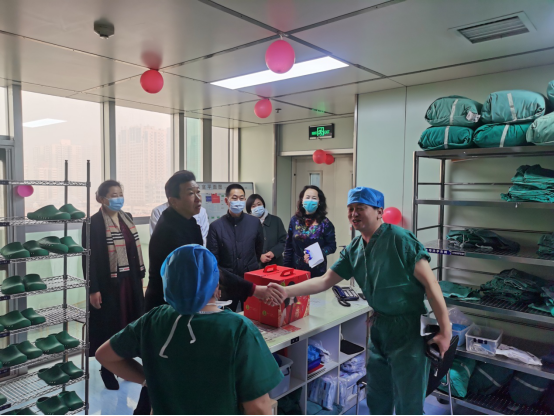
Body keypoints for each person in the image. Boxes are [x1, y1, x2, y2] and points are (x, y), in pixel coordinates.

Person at [266, 187, 452, 416]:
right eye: (351, 209)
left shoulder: (400, 240)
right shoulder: (354, 248)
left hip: (408, 331)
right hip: (379, 328)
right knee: (377, 398)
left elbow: (432, 286)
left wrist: (446, 331)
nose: (354, 214)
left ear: (379, 211)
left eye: (360, 208)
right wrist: (286, 291)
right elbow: (324, 281)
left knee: (409, 404)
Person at [96, 245, 283, 415]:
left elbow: (104, 356)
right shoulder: (238, 329)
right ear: (216, 284)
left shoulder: (153, 320)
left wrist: (150, 380)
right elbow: (258, 408)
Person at [83, 180, 146, 391]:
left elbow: (134, 251)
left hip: (130, 282)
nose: (118, 198)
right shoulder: (92, 223)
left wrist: (140, 277)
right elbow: (89, 259)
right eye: (113, 195)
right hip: (108, 284)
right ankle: (107, 369)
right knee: (111, 326)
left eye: (120, 194)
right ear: (101, 198)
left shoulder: (127, 217)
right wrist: (93, 289)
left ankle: (126, 364)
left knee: (130, 323)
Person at [207, 184, 264, 311]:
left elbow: (258, 249)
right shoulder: (216, 227)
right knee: (227, 317)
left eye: (241, 198)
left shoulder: (254, 223)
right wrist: (216, 283)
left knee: (251, 314)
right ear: (226, 201)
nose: (238, 201)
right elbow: (213, 259)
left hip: (250, 279)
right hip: (227, 282)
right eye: (234, 198)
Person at [283, 185, 337, 278]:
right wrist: (285, 269)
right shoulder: (294, 220)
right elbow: (288, 247)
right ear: (302, 200)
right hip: (295, 270)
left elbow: (332, 246)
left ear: (319, 202)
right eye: (307, 197)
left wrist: (316, 253)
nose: (310, 200)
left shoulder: (325, 223)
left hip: (317, 271)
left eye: (314, 198)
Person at [246, 194, 287, 266]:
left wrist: (273, 252)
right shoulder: (247, 224)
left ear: (263, 204)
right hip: (256, 266)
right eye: (253, 206)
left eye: (259, 204)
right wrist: (259, 256)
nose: (257, 207)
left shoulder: (276, 220)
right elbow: (245, 246)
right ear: (249, 209)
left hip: (276, 264)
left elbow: (284, 240)